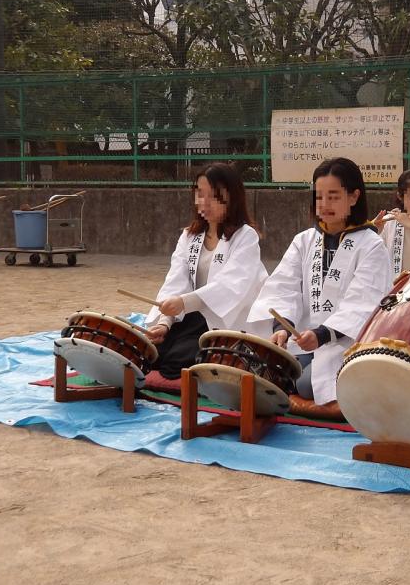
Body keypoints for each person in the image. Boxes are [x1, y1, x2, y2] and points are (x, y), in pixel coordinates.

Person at [249, 156, 392, 412]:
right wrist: (283, 327)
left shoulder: (372, 245)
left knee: (306, 385)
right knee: (258, 367)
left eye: (334, 196)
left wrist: (323, 334)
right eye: (319, 196)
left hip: (344, 342)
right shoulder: (304, 240)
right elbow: (283, 286)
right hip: (301, 337)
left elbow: (364, 302)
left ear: (354, 196)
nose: (324, 204)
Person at [144, 163, 268, 379]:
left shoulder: (245, 237)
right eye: (200, 194)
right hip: (191, 316)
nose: (204, 202)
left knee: (175, 365)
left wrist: (184, 302)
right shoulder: (189, 236)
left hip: (226, 320)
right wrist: (164, 322)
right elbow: (176, 280)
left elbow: (231, 286)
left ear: (233, 197)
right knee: (150, 354)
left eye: (214, 196)